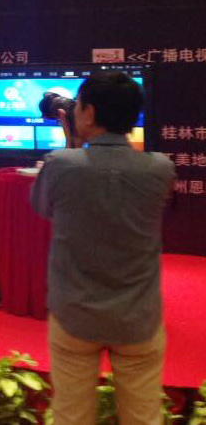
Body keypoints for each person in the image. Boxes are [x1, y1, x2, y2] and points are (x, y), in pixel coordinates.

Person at [30, 71, 175, 425]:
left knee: (71, 416)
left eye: (78, 105)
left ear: (90, 113)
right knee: (144, 417)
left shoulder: (61, 164)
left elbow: (42, 207)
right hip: (138, 316)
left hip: (74, 314)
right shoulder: (160, 169)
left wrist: (71, 142)